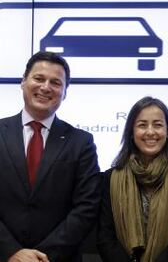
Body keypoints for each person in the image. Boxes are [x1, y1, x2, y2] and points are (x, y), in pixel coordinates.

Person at [0, 51, 101, 262]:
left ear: (64, 93)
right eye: (38, 78)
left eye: (55, 82)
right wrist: (10, 251)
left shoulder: (81, 142)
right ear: (23, 82)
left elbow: (86, 207)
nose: (45, 87)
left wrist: (41, 257)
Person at [97, 96, 168, 262]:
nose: (150, 132)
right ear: (131, 132)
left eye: (158, 125)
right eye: (142, 125)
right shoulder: (110, 178)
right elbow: (105, 236)